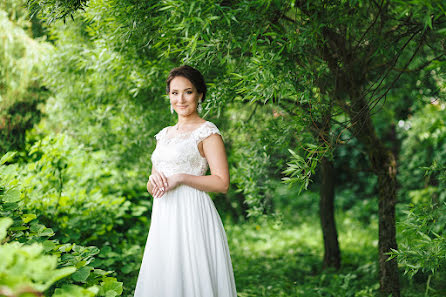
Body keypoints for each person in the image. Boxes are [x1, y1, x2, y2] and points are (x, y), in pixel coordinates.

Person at [133, 65, 238, 297]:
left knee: (193, 279)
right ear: (169, 96)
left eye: (188, 92)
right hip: (164, 217)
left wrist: (181, 178)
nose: (180, 99)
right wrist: (152, 180)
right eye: (174, 93)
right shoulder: (163, 135)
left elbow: (222, 183)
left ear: (200, 94)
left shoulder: (207, 132)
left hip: (193, 215)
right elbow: (153, 185)